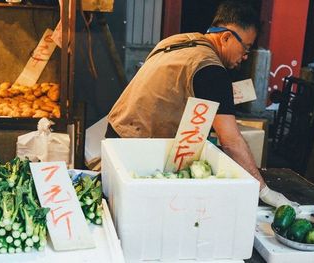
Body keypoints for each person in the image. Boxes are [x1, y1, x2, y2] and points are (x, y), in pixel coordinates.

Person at [105, 1, 299, 211]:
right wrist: (264, 191)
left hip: (115, 134)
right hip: (136, 149)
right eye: (246, 48)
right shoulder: (211, 69)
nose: (244, 57)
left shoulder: (178, 41)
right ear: (225, 37)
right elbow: (231, 141)